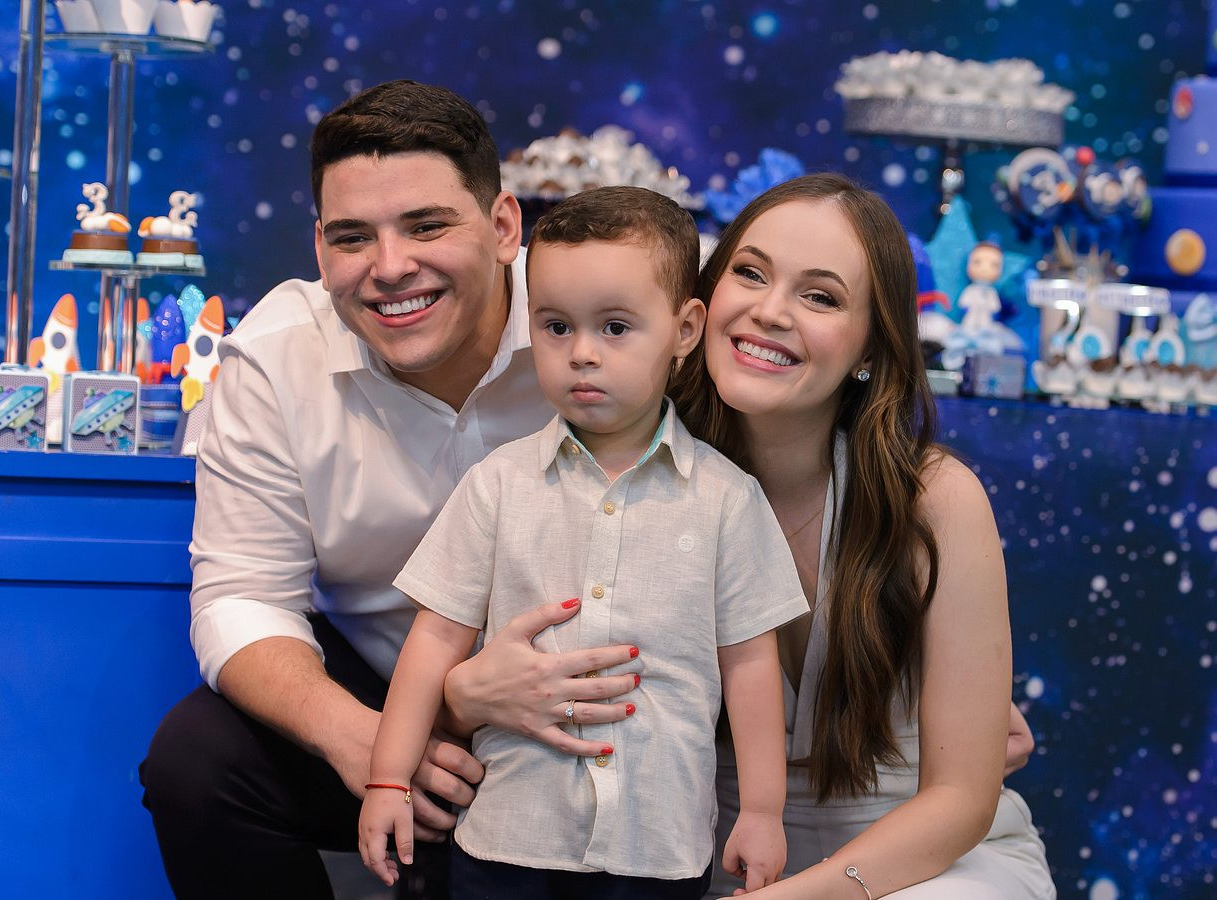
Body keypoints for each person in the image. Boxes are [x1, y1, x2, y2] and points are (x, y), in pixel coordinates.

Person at [442, 173, 1053, 899]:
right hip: (700, 851)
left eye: (820, 297)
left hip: (917, 862)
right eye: (751, 274)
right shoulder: (607, 464)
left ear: (871, 344)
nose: (769, 311)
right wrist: (464, 695)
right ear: (696, 309)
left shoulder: (935, 500)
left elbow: (960, 799)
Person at [138, 80, 638, 899]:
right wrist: (365, 740)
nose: (390, 267)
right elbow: (241, 596)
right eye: (352, 237)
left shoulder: (599, 328)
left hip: (586, 696)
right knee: (199, 762)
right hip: (375, 682)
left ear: (503, 227)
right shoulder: (276, 357)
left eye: (426, 225)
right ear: (318, 247)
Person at [358, 186, 808, 899]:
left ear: (685, 329)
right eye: (557, 326)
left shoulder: (727, 499)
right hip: (510, 837)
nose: (582, 354)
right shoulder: (498, 483)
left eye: (616, 327)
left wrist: (760, 812)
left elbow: (751, 664)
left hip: (655, 845)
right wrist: (388, 778)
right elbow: (435, 638)